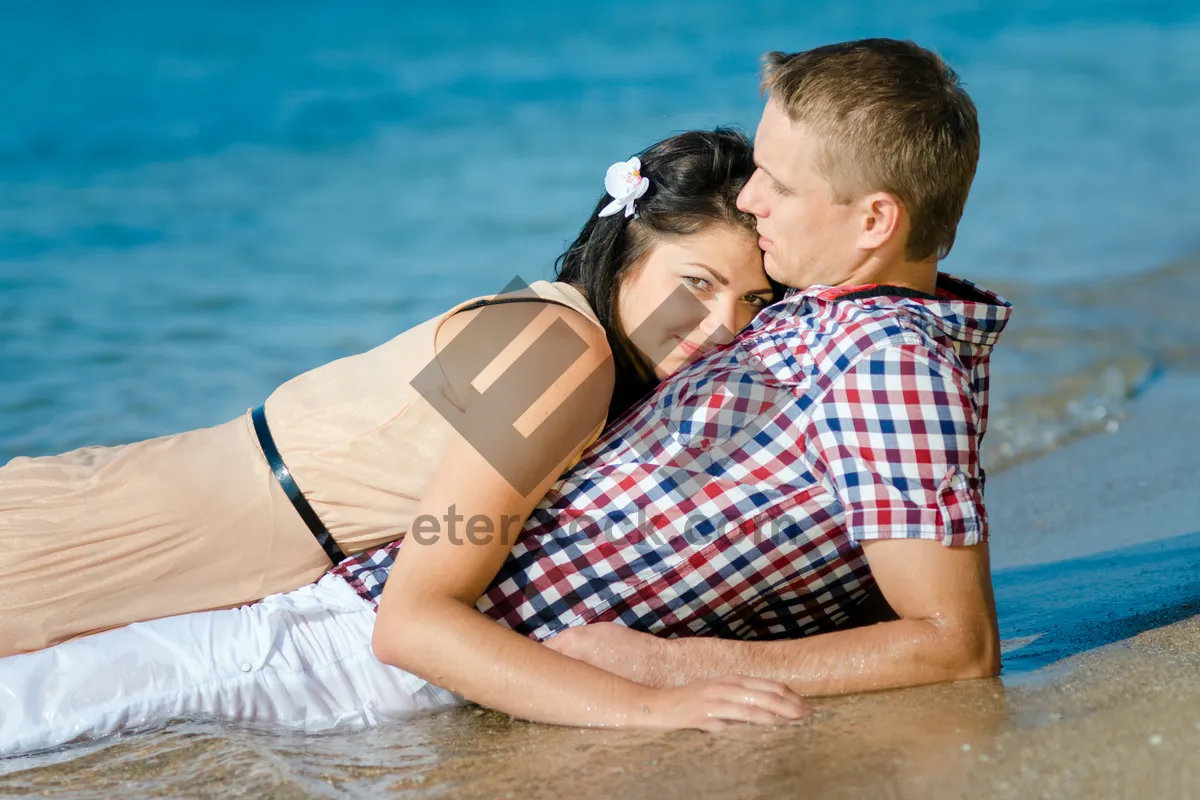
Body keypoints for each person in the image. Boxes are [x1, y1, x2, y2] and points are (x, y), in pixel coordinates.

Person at [0, 37, 1012, 755]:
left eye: (779, 187)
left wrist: (664, 674)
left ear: (875, 217)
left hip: (328, 632)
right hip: (194, 563)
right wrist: (656, 675)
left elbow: (947, 636)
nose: (753, 198)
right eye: (699, 280)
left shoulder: (879, 350)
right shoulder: (567, 348)